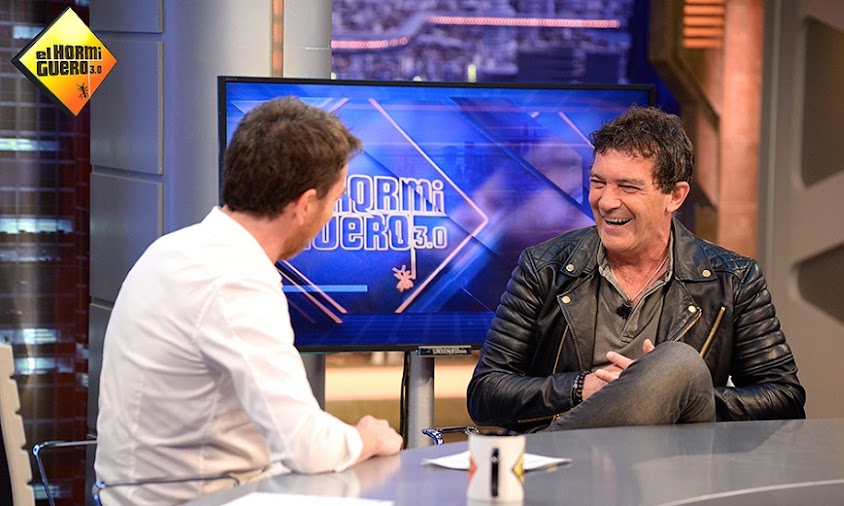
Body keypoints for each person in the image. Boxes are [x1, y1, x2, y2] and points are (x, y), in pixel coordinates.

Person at [95, 97, 403, 505]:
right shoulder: (234, 279)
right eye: (336, 200)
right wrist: (367, 437)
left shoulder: (176, 248)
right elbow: (306, 446)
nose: (333, 214)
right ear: (305, 205)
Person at [467, 106, 805, 433]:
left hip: (674, 462)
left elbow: (783, 398)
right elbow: (486, 394)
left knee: (677, 365)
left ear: (675, 196)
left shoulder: (733, 280)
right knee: (676, 366)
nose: (606, 201)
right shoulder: (544, 268)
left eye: (628, 187)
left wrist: (675, 395)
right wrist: (582, 388)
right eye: (598, 182)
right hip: (566, 455)